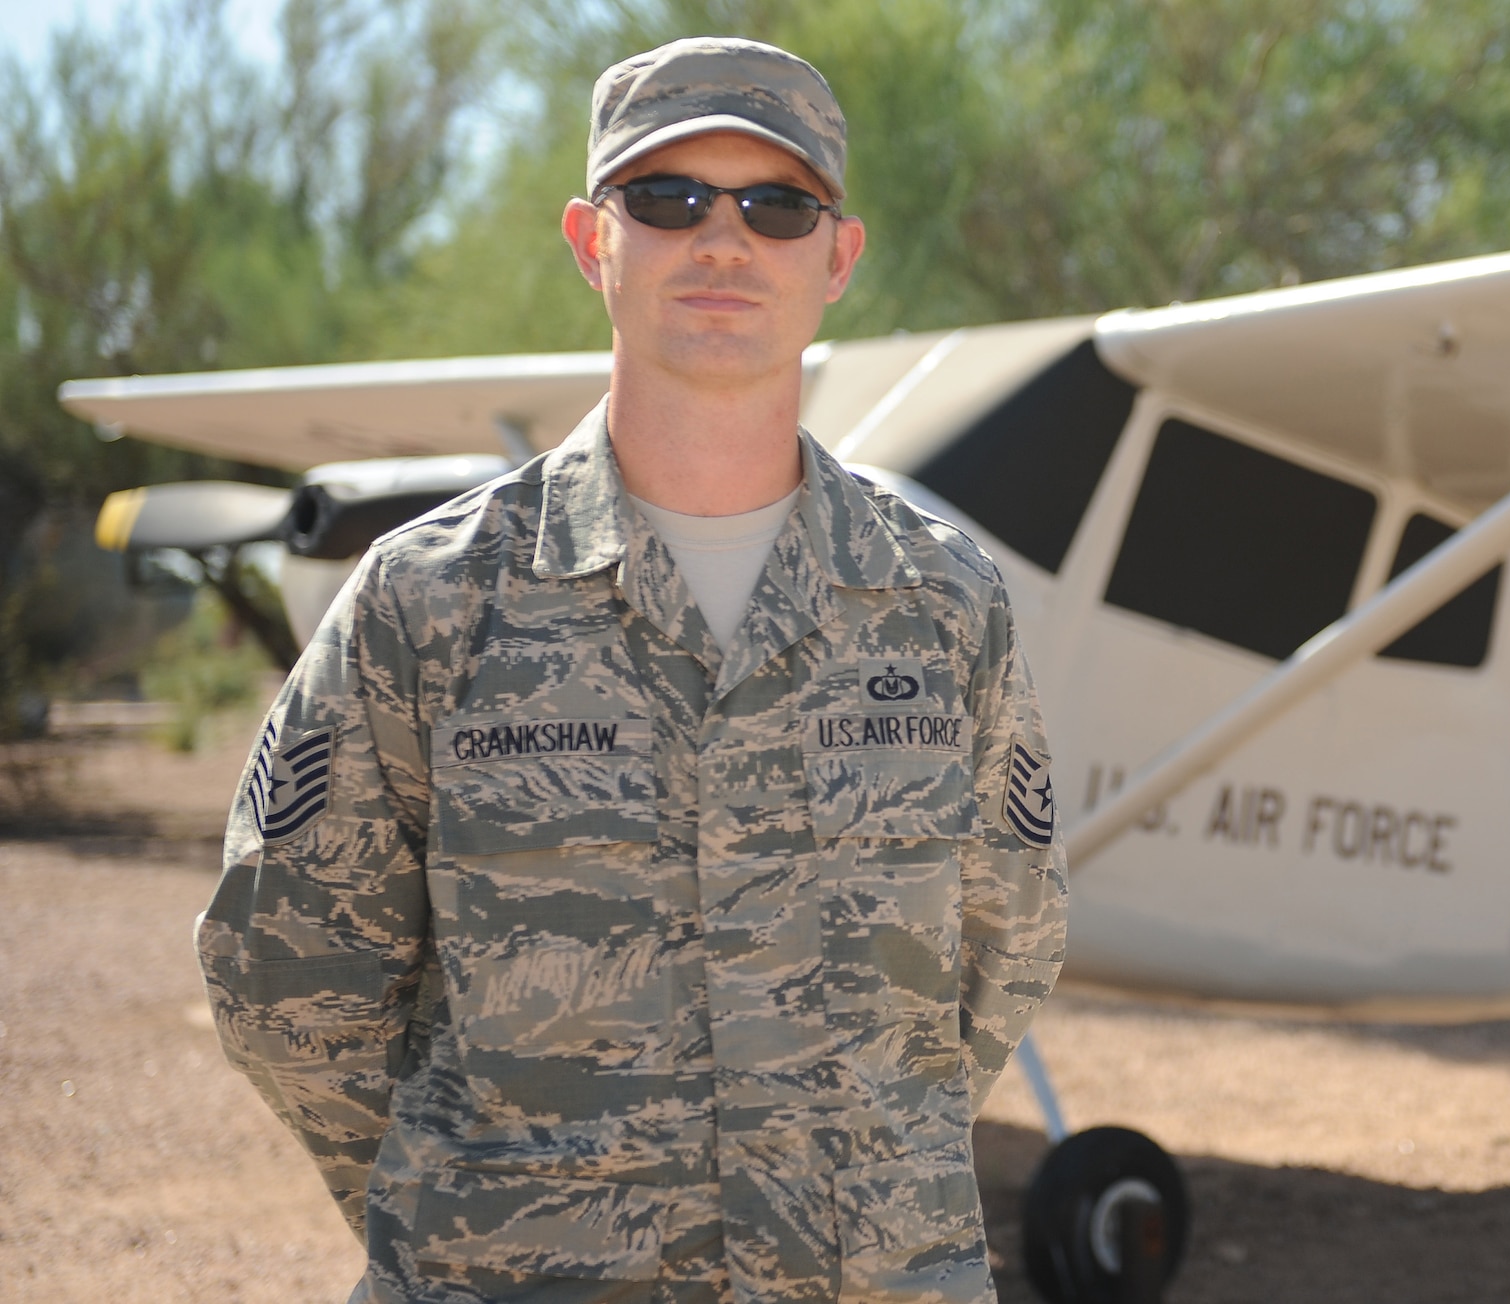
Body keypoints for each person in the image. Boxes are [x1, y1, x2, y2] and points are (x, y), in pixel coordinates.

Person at [197, 36, 1066, 1304]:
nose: (723, 241)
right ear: (592, 240)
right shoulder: (430, 597)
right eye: (666, 200)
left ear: (837, 257)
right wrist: (483, 1212)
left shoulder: (939, 601)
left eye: (777, 206)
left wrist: (858, 1181)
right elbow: (288, 971)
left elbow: (1008, 940)